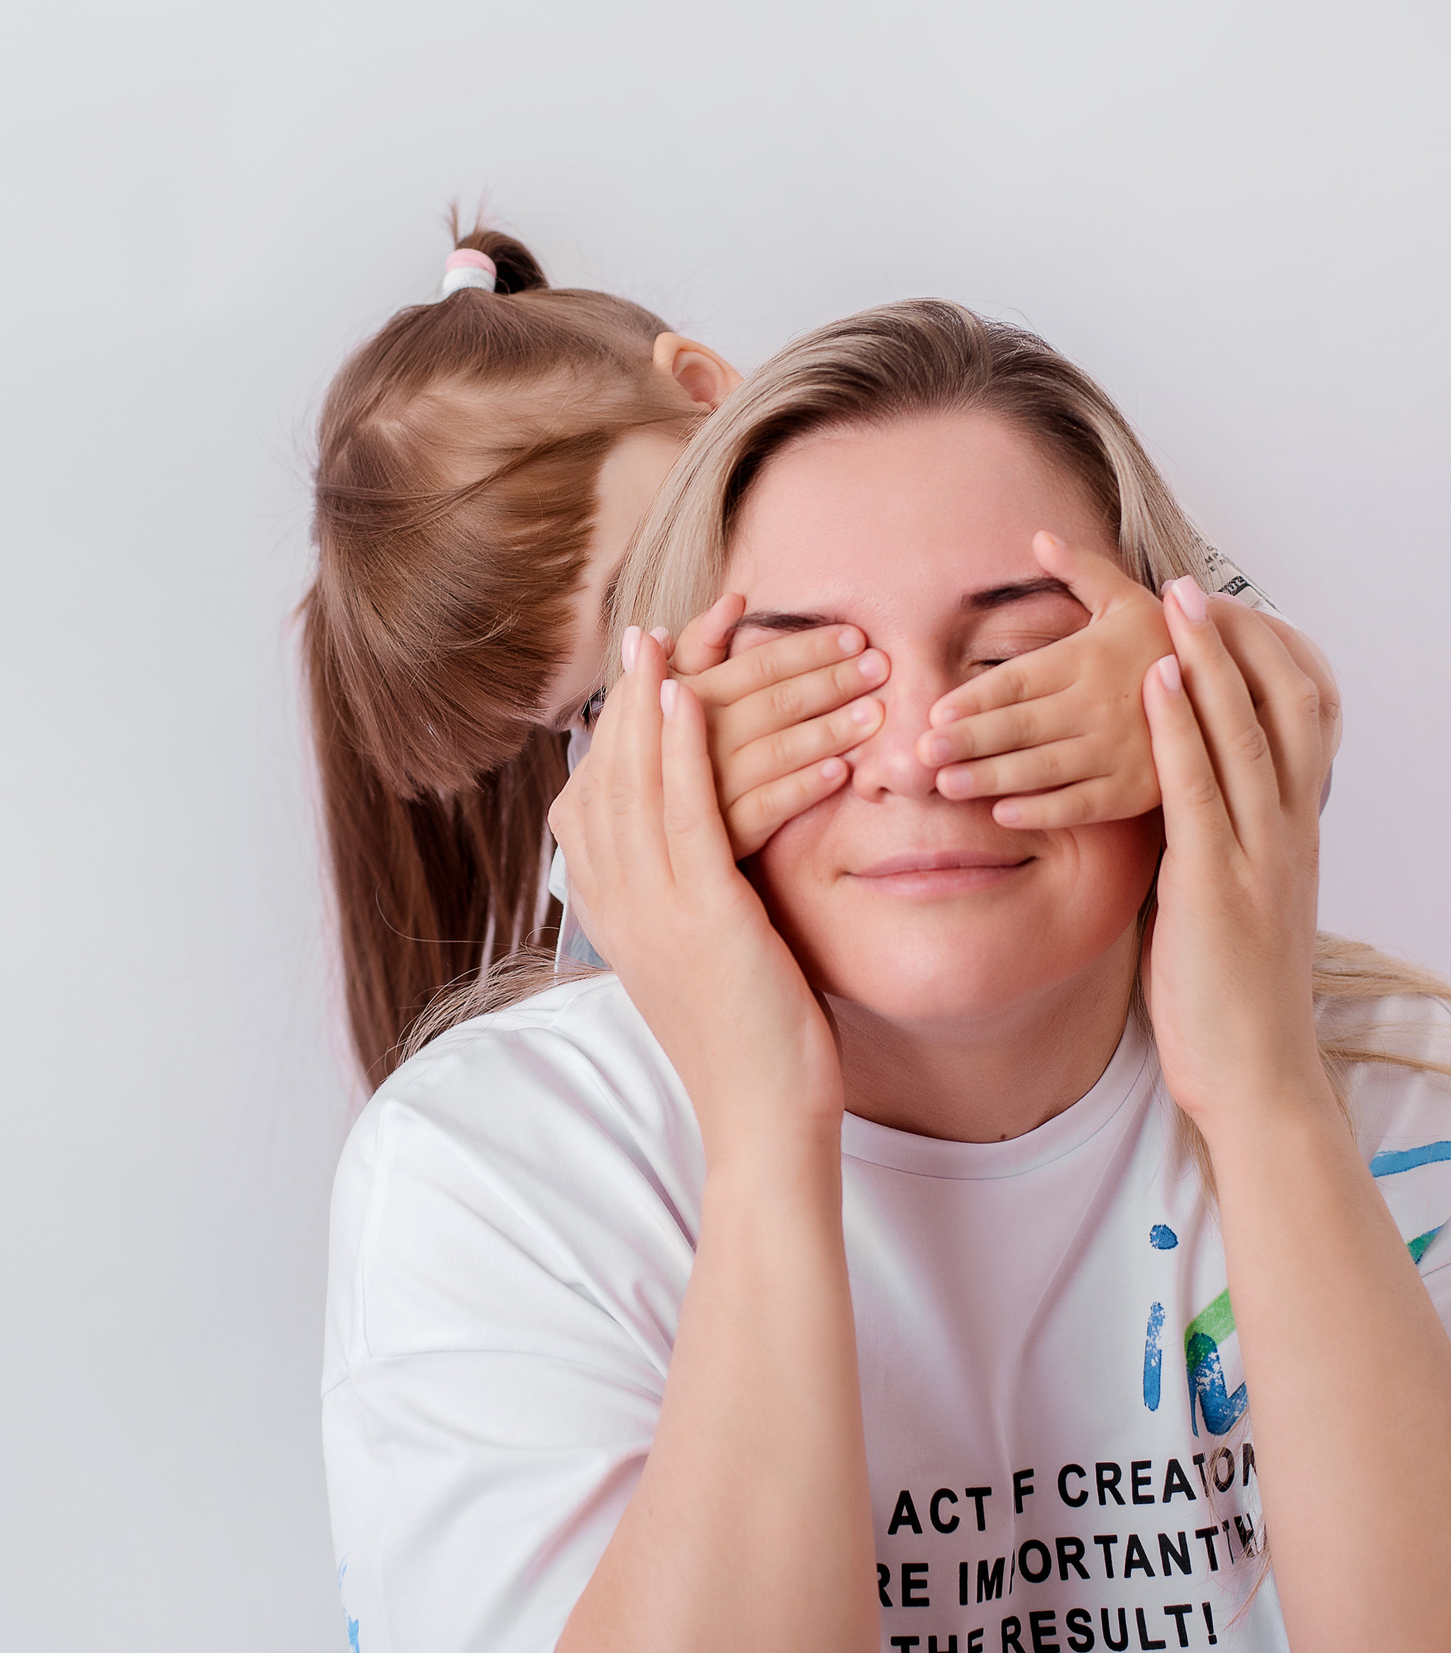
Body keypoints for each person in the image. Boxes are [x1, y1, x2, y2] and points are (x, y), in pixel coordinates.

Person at [319, 301, 1451, 1653]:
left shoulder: (1420, 1111)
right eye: (814, 682)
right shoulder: (495, 1173)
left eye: (1014, 668)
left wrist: (1268, 1096)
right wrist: (761, 1135)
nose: (919, 750)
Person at [304, 228, 1324, 1088]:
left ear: (703, 392)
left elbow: (1291, 696)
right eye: (597, 701)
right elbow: (625, 988)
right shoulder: (622, 774)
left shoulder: (907, 452)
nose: (661, 670)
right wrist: (664, 830)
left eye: (635, 587)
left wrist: (1169, 678)